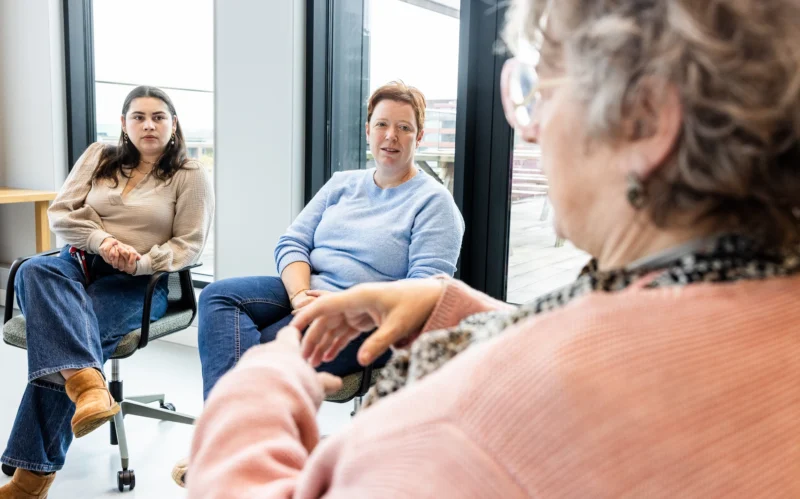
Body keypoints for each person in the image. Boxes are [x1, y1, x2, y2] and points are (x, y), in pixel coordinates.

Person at [188, 0, 800, 496]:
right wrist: (447, 306)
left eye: (538, 87)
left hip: (327, 320)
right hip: (318, 292)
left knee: (258, 348)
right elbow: (633, 343)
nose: (527, 126)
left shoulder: (468, 428)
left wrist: (264, 379)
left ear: (642, 120)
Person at [170, 81, 464, 487]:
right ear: (367, 130)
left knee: (263, 348)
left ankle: (224, 448)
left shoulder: (434, 203)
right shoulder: (343, 183)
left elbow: (424, 293)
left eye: (404, 128)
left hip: (364, 318)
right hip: (305, 292)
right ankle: (232, 445)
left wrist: (342, 305)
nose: (391, 136)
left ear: (420, 135)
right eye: (382, 124)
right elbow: (293, 242)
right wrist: (301, 296)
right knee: (220, 296)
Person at [0, 86, 213, 499]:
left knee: (61, 335)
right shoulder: (100, 155)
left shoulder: (189, 174)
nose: (148, 124)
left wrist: (142, 261)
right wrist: (100, 241)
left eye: (158, 116)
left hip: (139, 281)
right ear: (123, 124)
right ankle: (87, 387)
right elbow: (62, 212)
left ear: (173, 124)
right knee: (34, 269)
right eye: (138, 117)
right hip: (79, 263)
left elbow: (189, 243)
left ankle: (30, 481)